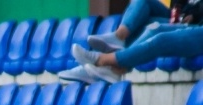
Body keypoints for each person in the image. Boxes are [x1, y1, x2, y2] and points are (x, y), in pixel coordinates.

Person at [66, 0, 203, 83]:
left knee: (157, 32)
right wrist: (180, 10)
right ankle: (118, 37)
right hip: (182, 21)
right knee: (142, 7)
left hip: (197, 27)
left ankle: (105, 62)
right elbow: (178, 5)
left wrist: (194, 14)